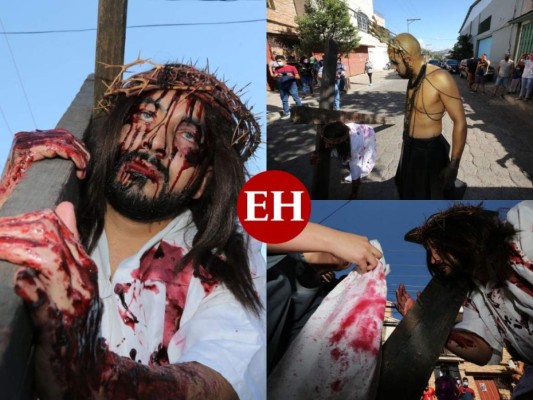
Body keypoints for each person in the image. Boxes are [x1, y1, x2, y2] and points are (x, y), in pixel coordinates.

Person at [0, 61, 265, 399]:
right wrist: (12, 198)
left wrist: (91, 371)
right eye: (146, 117)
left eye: (187, 135)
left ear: (203, 182)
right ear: (117, 130)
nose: (156, 143)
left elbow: (222, 380)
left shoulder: (227, 260)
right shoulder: (59, 217)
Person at [396, 201, 533, 400]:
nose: (433, 259)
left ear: (460, 232)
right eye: (428, 253)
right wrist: (424, 324)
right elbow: (481, 351)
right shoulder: (475, 296)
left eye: (436, 246)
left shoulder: (521, 227)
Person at [387, 33, 467, 199]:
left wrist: (454, 165)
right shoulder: (413, 76)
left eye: (395, 63)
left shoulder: (440, 78)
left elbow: (460, 121)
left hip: (430, 154)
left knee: (430, 202)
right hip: (409, 149)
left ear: (408, 59)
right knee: (408, 194)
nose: (394, 68)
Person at [319, 120, 377, 199]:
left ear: (341, 143)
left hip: (368, 135)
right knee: (346, 157)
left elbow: (356, 172)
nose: (326, 146)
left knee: (361, 163)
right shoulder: (342, 132)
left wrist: (354, 193)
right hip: (357, 132)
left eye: (329, 143)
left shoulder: (354, 148)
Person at [271, 54, 302, 118]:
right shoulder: (277, 69)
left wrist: (292, 76)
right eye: (277, 61)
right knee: (284, 100)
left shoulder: (292, 67)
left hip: (292, 85)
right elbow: (274, 76)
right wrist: (277, 75)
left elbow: (298, 77)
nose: (278, 62)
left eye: (279, 61)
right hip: (282, 86)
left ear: (284, 60)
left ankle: (300, 111)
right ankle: (286, 112)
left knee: (296, 98)